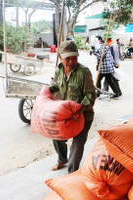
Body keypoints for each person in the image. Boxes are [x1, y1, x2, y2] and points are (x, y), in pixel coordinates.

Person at [49, 40, 96, 173]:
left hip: (83, 115)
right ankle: (62, 159)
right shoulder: (59, 70)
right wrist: (47, 90)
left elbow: (91, 95)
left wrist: (80, 108)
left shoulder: (84, 72)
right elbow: (57, 85)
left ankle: (71, 174)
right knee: (57, 136)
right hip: (66, 114)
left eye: (74, 58)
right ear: (60, 57)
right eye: (67, 58)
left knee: (77, 145)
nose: (71, 61)